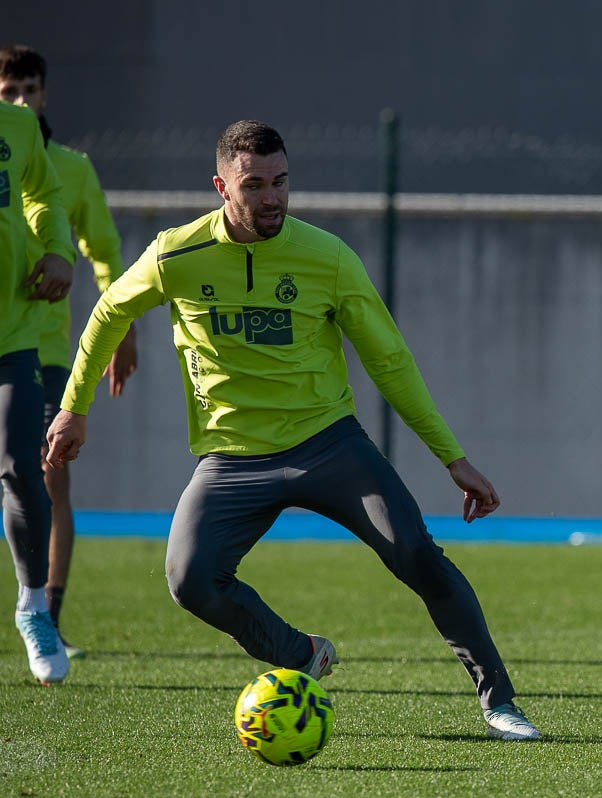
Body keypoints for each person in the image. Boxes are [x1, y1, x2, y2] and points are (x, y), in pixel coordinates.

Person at [47, 121, 540, 739]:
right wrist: (75, 407)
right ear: (222, 186)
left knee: (417, 553)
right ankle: (302, 655)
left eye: (281, 182)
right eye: (254, 185)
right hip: (231, 459)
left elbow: (390, 362)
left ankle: (500, 702)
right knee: (190, 580)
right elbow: (109, 310)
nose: (273, 197)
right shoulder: (177, 254)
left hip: (329, 444)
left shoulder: (328, 257)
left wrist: (452, 459)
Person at [1, 45, 138, 661]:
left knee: (47, 473)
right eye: (11, 91)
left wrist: (123, 323)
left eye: (30, 88)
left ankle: (47, 612)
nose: (22, 100)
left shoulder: (69, 169)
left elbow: (104, 249)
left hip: (44, 343)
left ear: (45, 93)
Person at [0, 98, 74, 685]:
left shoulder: (19, 124)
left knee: (24, 465)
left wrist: (55, 248)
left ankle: (34, 605)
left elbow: (44, 194)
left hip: (12, 328)